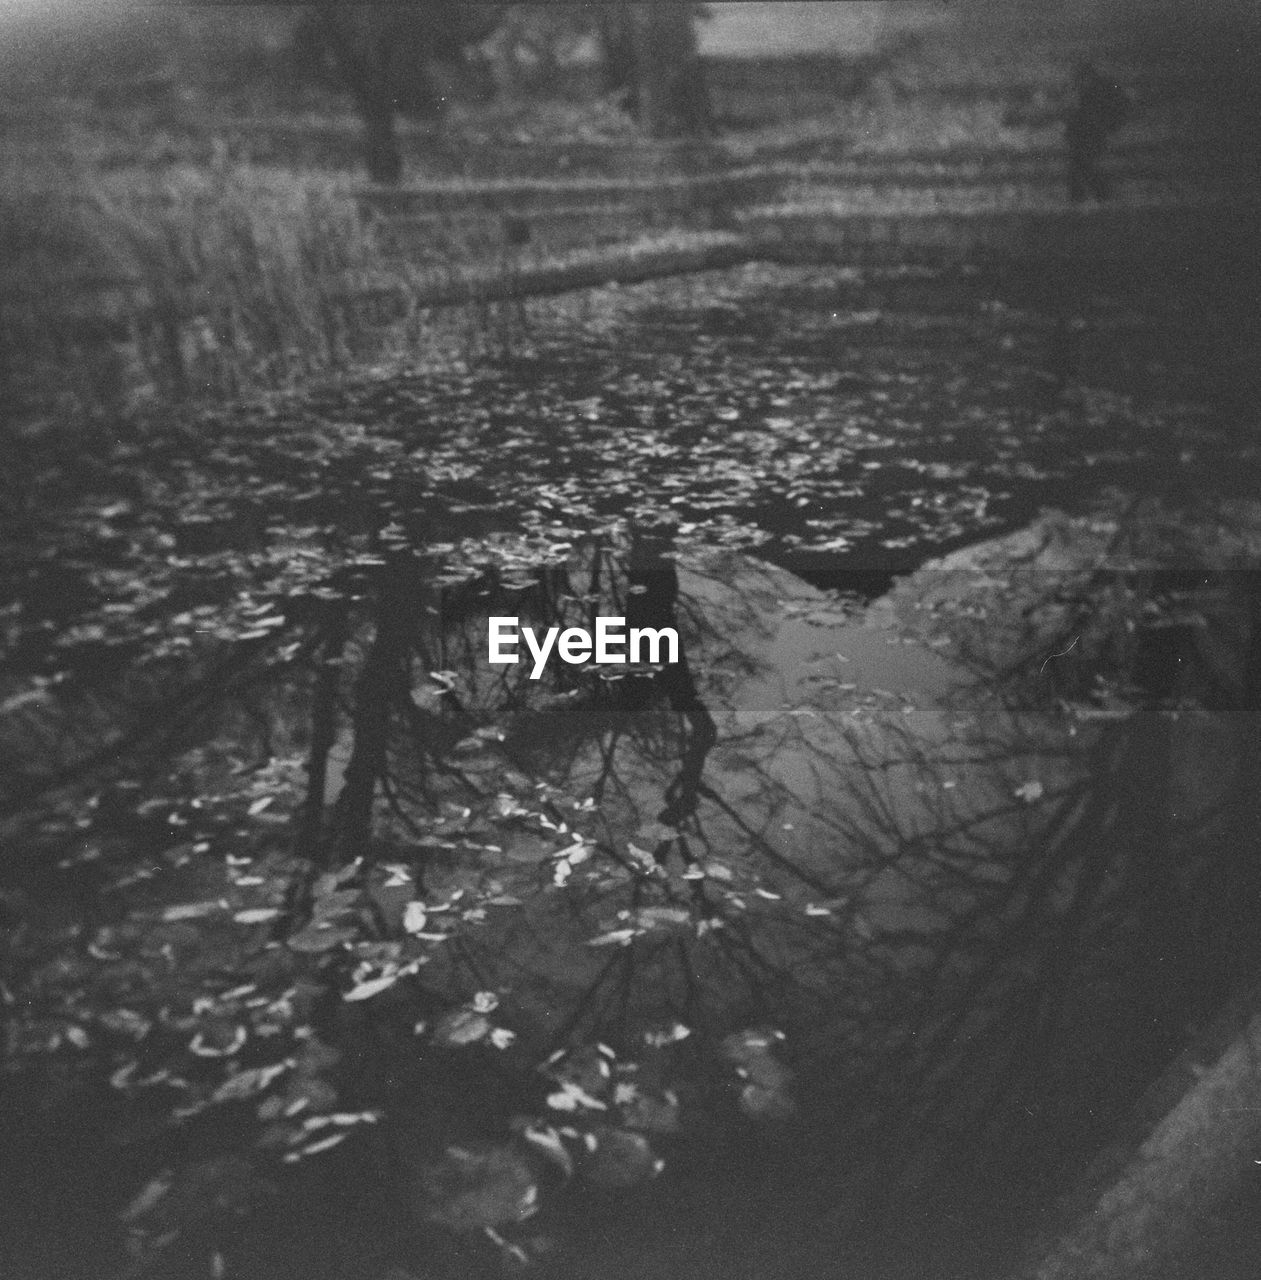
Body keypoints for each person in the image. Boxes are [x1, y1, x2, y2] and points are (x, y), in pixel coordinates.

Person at [1065, 62, 1133, 202]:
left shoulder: (1097, 91)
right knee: (1082, 167)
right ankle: (1094, 197)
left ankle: (1091, 197)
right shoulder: (1100, 88)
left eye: (1080, 79)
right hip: (1089, 135)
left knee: (1081, 167)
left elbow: (1085, 115)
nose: (1079, 83)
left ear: (1086, 77)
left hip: (1091, 135)